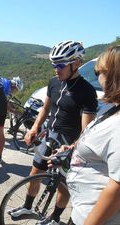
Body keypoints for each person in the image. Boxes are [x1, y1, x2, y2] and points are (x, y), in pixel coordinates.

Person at [8, 41, 98, 225]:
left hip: (70, 142)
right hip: (50, 136)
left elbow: (86, 130)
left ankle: (55, 218)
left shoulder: (87, 91)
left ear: (77, 63)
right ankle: (27, 206)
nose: (56, 69)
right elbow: (46, 108)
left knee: (63, 185)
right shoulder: (54, 83)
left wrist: (72, 149)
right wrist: (34, 128)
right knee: (34, 173)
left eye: (60, 65)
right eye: (54, 65)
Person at [63, 45, 120, 225]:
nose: (98, 78)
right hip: (83, 211)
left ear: (113, 76)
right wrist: (75, 149)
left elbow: (117, 189)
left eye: (99, 72)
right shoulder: (113, 109)